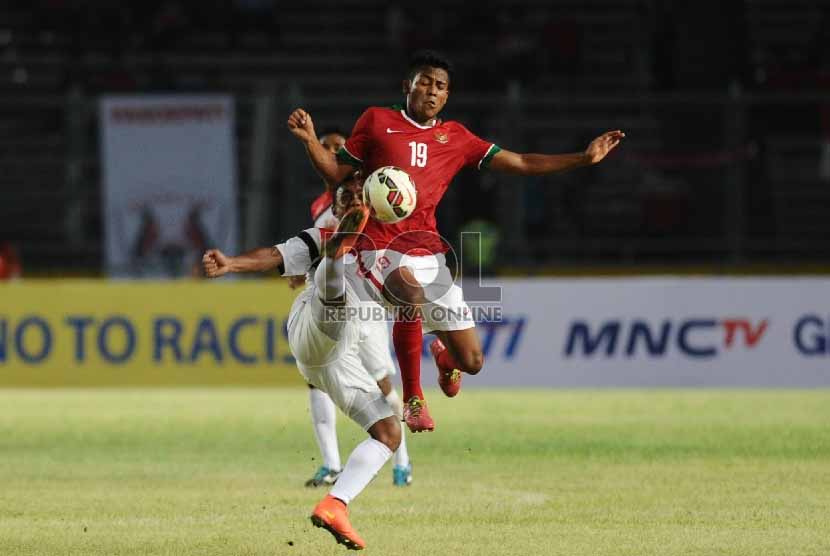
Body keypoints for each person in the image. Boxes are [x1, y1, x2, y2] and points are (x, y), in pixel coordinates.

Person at [287, 50, 624, 433]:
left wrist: (582, 158)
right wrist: (310, 141)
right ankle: (413, 398)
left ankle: (445, 360)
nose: (432, 91)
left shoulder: (456, 138)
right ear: (407, 86)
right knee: (407, 291)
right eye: (425, 82)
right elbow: (335, 173)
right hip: (378, 247)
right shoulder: (377, 121)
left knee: (473, 360)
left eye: (441, 86)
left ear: (447, 96)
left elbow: (521, 163)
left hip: (427, 250)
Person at [203, 203, 394, 550]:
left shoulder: (393, 248)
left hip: (335, 355)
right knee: (334, 289)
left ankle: (335, 505)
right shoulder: (321, 234)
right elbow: (274, 255)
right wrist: (231, 263)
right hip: (314, 321)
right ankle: (334, 262)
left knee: (388, 432)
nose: (350, 197)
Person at [302, 173, 412, 489]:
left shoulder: (379, 218)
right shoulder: (325, 218)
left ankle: (402, 460)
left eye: (356, 197)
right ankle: (331, 463)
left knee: (381, 384)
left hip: (367, 313)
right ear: (336, 208)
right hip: (333, 313)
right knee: (315, 381)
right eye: (345, 199)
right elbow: (315, 253)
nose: (351, 202)